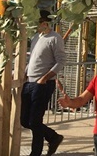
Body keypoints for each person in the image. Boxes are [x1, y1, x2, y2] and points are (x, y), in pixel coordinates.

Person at [21, 9, 66, 156]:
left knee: (35, 120)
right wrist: (25, 73)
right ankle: (53, 137)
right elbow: (33, 58)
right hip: (29, 82)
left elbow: (61, 61)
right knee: (24, 120)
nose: (35, 25)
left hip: (43, 84)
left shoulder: (55, 38)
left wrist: (45, 78)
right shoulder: (36, 37)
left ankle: (36, 153)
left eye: (37, 22)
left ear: (45, 22)